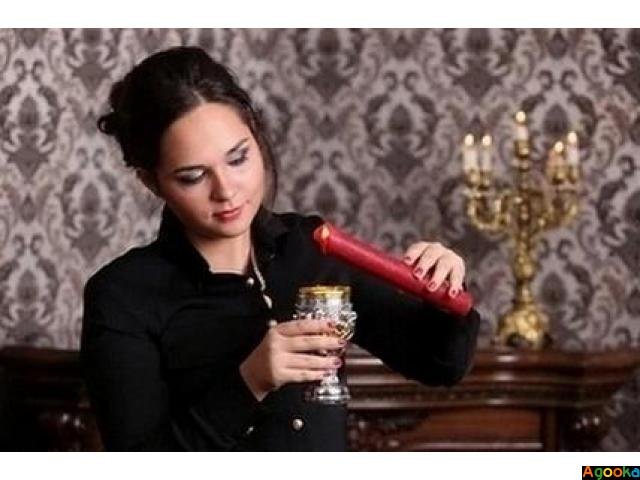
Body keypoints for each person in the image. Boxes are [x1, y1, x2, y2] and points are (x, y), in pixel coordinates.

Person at [80, 45, 481, 452]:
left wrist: (444, 290)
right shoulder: (122, 296)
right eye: (193, 176)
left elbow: (441, 365)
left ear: (256, 135)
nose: (226, 190)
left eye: (238, 158)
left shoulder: (312, 248)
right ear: (151, 182)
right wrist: (249, 382)